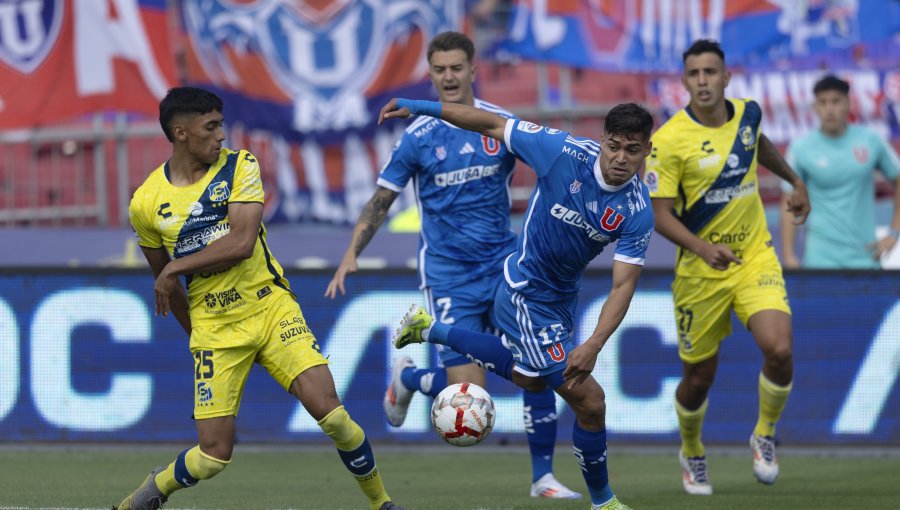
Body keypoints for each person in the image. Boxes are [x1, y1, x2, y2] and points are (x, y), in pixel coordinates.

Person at [114, 87, 403, 510]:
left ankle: (382, 503)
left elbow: (243, 241)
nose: (220, 136)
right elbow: (167, 287)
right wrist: (200, 335)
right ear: (180, 133)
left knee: (333, 415)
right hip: (215, 328)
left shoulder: (240, 166)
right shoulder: (146, 203)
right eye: (210, 128)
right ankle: (153, 490)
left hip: (269, 307)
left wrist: (177, 266)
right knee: (213, 457)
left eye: (221, 125)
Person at [325, 31, 580, 500]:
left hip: (505, 269)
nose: (447, 76)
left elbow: (552, 167)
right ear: (431, 71)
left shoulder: (499, 125)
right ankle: (407, 379)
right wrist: (350, 253)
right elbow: (383, 200)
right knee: (469, 393)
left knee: (539, 364)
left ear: (472, 69)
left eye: (455, 68)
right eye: (439, 68)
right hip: (448, 275)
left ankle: (543, 477)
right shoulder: (418, 136)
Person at [381, 98, 657, 510]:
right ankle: (605, 502)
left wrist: (595, 343)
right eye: (613, 145)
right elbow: (491, 123)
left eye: (632, 150)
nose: (620, 158)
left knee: (529, 380)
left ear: (646, 151)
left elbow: (622, 286)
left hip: (562, 298)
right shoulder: (560, 151)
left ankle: (428, 329)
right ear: (601, 140)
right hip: (524, 292)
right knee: (591, 401)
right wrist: (422, 107)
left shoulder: (637, 210)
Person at [643, 39, 811, 496]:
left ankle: (764, 434)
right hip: (700, 273)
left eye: (710, 73)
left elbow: (759, 146)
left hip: (754, 255)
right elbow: (659, 216)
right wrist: (701, 248)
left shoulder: (748, 116)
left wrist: (793, 180)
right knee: (699, 378)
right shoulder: (669, 141)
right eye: (694, 74)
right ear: (684, 82)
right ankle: (692, 450)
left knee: (779, 349)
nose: (703, 81)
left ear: (726, 77)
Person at [780, 74, 900, 269]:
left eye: (836, 101)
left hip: (865, 259)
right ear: (815, 107)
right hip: (820, 260)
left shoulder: (870, 140)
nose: (829, 109)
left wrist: (894, 232)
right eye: (823, 102)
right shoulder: (800, 148)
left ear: (849, 104)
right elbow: (788, 201)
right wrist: (789, 255)